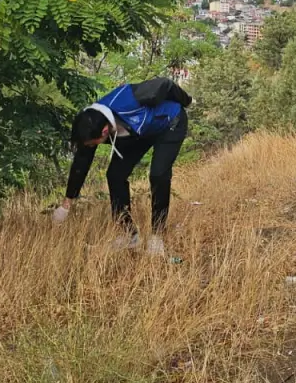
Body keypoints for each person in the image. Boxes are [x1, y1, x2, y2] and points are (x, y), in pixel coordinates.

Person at [54, 76, 193, 254]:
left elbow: (165, 84)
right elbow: (82, 161)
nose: (90, 147)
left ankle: (157, 236)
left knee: (158, 174)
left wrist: (186, 101)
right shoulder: (90, 123)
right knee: (115, 176)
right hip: (138, 133)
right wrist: (67, 203)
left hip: (170, 123)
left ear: (104, 131)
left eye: (92, 144)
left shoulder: (134, 99)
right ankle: (129, 236)